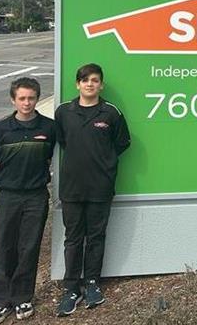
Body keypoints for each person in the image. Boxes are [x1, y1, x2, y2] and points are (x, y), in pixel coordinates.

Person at [55, 63, 131, 317]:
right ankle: (71, 289)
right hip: (72, 187)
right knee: (73, 238)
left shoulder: (111, 112)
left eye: (95, 80)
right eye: (85, 80)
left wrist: (104, 163)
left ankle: (92, 284)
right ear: (77, 84)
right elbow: (64, 141)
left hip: (100, 186)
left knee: (96, 237)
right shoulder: (64, 112)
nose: (90, 84)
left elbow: (122, 143)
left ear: (101, 85)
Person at [0, 77, 55, 324]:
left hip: (36, 196)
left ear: (37, 98)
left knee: (29, 247)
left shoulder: (49, 128)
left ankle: (23, 298)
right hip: (8, 195)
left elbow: (51, 157)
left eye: (31, 98)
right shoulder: (1, 129)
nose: (27, 102)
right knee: (5, 247)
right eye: (22, 98)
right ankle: (1, 302)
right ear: (13, 99)